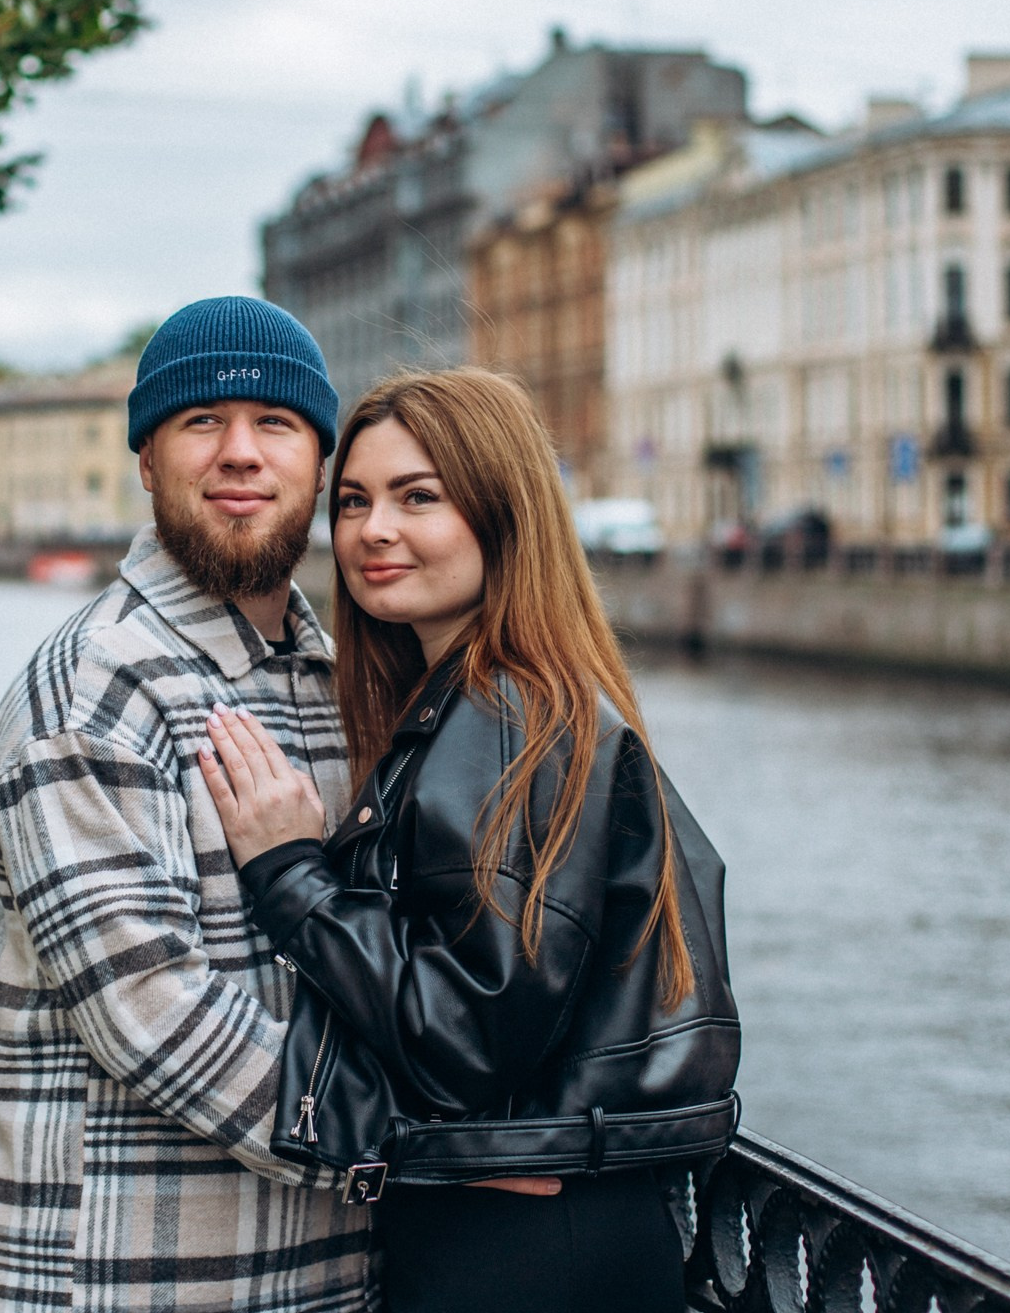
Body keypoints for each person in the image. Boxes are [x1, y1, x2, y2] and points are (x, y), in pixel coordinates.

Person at [198, 367, 740, 1313]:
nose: (373, 530)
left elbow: (464, 1040)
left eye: (420, 498)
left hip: (518, 1248)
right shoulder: (514, 701)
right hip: (555, 1221)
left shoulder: (502, 715)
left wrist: (291, 878)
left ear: (503, 515)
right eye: (356, 500)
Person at [0, 297, 374, 1313]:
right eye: (202, 422)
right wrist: (410, 1142)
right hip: (139, 1279)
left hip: (324, 1275)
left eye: (275, 423)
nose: (240, 452)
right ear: (146, 460)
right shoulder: (90, 688)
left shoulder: (332, 677)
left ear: (318, 463)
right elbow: (149, 1015)